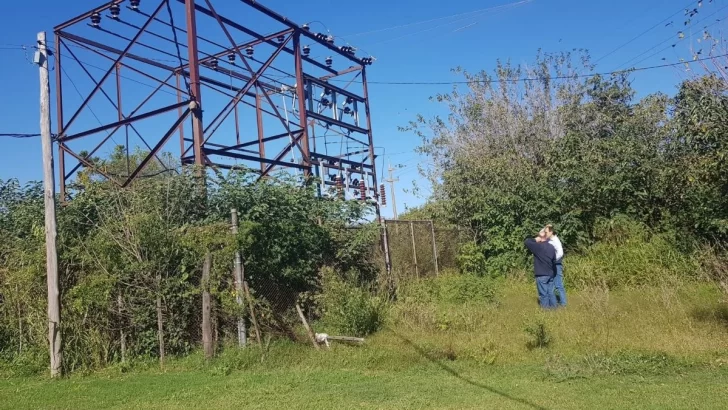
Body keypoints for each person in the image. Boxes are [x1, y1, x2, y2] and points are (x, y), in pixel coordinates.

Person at [524, 232, 557, 309]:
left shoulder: (538, 247)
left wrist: (536, 239)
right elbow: (554, 261)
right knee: (551, 293)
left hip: (541, 274)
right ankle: (554, 309)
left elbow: (527, 241)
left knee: (543, 294)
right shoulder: (552, 247)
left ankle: (546, 312)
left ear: (540, 237)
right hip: (550, 273)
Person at [544, 224, 566, 306]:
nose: (545, 233)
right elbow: (541, 233)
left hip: (556, 264)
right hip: (550, 264)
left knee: (558, 284)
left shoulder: (556, 240)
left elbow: (560, 253)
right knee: (551, 283)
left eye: (546, 232)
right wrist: (546, 226)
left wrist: (553, 259)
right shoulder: (548, 239)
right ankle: (553, 302)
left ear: (551, 232)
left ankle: (563, 303)